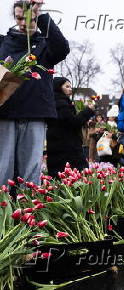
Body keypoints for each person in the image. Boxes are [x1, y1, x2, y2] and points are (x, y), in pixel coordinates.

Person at [0, 1, 69, 187]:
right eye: (19, 18)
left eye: (29, 18)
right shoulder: (2, 43)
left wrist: (41, 16)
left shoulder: (45, 45)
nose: (23, 23)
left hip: (35, 112)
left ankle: (28, 209)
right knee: (2, 168)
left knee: (31, 170)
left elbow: (63, 48)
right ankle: (3, 212)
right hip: (5, 114)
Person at [46, 77, 95, 177]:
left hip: (59, 147)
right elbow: (73, 123)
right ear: (58, 87)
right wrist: (88, 111)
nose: (70, 89)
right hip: (66, 148)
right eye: (67, 86)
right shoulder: (61, 104)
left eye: (70, 86)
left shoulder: (55, 102)